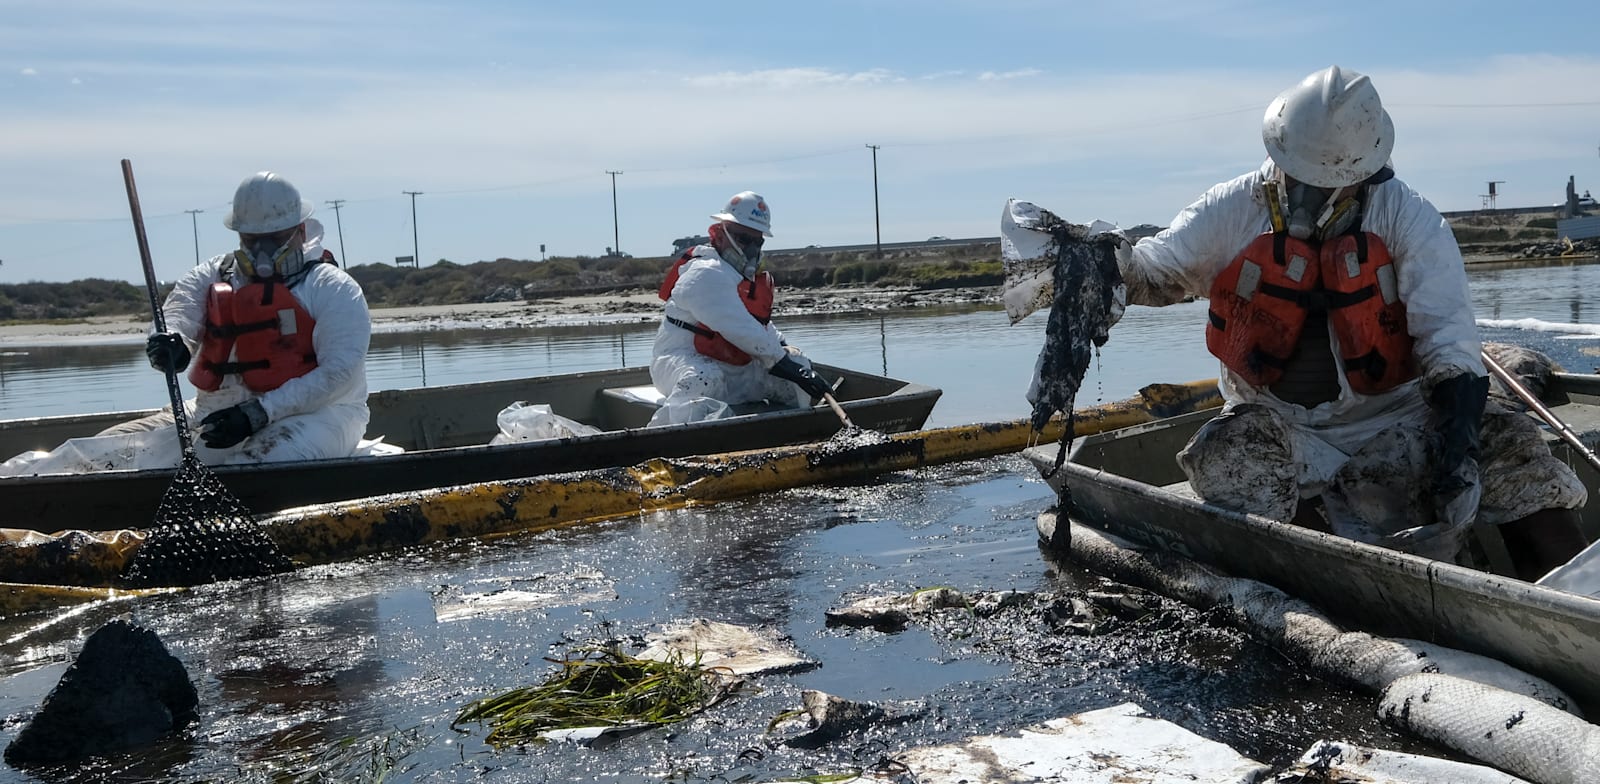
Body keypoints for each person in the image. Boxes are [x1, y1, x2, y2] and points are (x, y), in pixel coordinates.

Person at [1023, 66, 1588, 580]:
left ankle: (1569, 604)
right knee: (1227, 458)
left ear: (1366, 170)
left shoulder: (1408, 218)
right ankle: (1329, 584)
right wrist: (1101, 263)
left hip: (1396, 415)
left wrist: (1457, 446)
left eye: (1328, 180)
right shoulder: (1231, 207)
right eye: (1299, 175)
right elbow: (1155, 271)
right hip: (1280, 424)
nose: (1309, 192)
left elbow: (1451, 342)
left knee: (1510, 444)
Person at [106, 171, 371, 464]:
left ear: (301, 231)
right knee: (107, 451)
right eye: (252, 239)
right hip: (219, 410)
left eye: (275, 238)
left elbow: (339, 374)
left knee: (253, 464)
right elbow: (180, 309)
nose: (263, 251)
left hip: (324, 416)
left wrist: (258, 413)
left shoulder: (332, 287)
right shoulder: (213, 273)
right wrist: (171, 341)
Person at [649, 191, 833, 425]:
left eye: (757, 242)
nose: (751, 248)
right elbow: (740, 327)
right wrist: (785, 364)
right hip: (683, 361)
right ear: (721, 233)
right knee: (703, 377)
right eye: (744, 239)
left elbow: (759, 325)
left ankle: (798, 431)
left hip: (735, 367)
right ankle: (673, 439)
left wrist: (787, 353)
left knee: (797, 366)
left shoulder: (743, 278)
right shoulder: (704, 273)